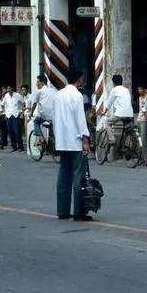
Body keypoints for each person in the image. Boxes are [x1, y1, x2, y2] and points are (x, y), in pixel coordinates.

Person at [53, 68, 92, 221]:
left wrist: (57, 137)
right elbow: (80, 119)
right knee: (78, 177)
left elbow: (55, 118)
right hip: (75, 141)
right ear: (79, 79)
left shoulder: (58, 95)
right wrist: (85, 139)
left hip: (62, 141)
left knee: (63, 176)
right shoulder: (77, 95)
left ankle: (62, 211)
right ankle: (78, 212)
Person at [103, 74, 134, 145]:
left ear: (113, 83)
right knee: (125, 129)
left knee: (107, 122)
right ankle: (122, 146)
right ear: (122, 82)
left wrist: (105, 111)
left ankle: (112, 139)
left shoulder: (114, 90)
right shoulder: (126, 90)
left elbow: (110, 101)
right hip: (130, 114)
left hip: (120, 114)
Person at [31, 75, 57, 145]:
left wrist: (31, 113)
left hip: (44, 116)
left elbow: (34, 104)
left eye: (37, 82)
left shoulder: (39, 92)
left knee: (35, 122)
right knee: (52, 129)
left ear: (41, 82)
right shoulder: (54, 91)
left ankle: (41, 138)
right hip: (53, 115)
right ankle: (54, 147)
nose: (36, 84)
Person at [2, 85, 25, 152]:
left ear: (12, 89)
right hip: (9, 116)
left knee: (17, 131)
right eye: (8, 88)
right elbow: (2, 104)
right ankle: (14, 147)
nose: (9, 90)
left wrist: (21, 112)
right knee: (10, 131)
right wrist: (5, 113)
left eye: (10, 88)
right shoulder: (6, 96)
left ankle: (20, 147)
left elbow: (23, 103)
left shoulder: (17, 95)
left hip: (16, 115)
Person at [137, 86, 147, 165]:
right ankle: (142, 158)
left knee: (144, 139)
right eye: (138, 89)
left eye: (140, 89)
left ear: (144, 89)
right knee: (140, 139)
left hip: (145, 119)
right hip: (139, 118)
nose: (139, 90)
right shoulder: (140, 97)